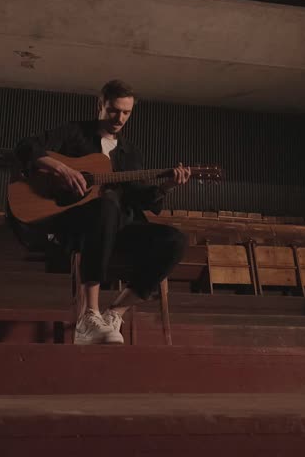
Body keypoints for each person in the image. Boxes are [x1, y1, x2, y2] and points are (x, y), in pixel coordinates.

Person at [11, 79, 191, 344]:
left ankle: (114, 313)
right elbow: (26, 146)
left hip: (118, 228)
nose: (120, 118)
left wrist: (166, 186)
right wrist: (61, 168)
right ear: (101, 105)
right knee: (105, 205)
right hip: (76, 226)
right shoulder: (75, 133)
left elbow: (139, 197)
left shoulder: (130, 152)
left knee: (176, 240)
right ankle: (89, 316)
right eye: (114, 110)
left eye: (126, 113)